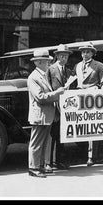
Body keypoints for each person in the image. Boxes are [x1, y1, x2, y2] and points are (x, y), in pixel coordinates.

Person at [27, 48, 65, 177]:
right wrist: (57, 93)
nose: (49, 63)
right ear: (38, 63)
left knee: (42, 142)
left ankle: (40, 166)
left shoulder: (41, 75)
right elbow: (40, 97)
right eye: (46, 61)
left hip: (45, 115)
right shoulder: (34, 77)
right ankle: (33, 167)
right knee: (37, 142)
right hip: (40, 115)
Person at [74, 42, 103, 166]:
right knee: (80, 127)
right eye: (83, 52)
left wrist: (99, 92)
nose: (85, 54)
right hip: (79, 99)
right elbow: (72, 81)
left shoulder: (98, 65)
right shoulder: (77, 66)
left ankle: (91, 156)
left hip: (92, 99)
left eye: (88, 52)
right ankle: (81, 153)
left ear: (93, 53)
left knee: (92, 128)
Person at [46, 44, 73, 170]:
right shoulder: (50, 69)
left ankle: (59, 161)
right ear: (56, 56)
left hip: (65, 107)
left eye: (66, 56)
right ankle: (49, 162)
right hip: (54, 106)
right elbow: (47, 88)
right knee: (52, 135)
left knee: (62, 135)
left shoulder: (68, 71)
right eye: (61, 55)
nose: (64, 58)